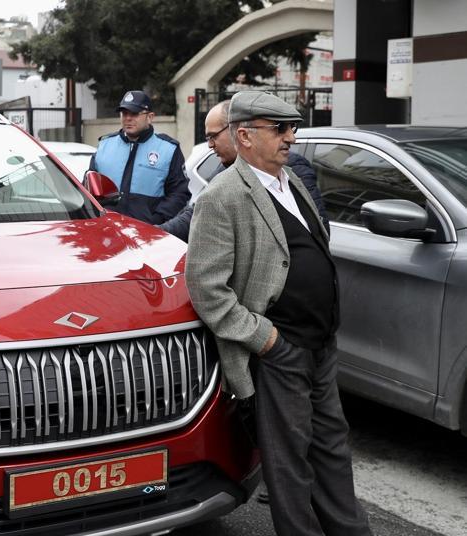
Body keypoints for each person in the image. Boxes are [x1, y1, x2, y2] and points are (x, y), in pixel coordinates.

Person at [185, 91, 372, 536]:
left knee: (331, 450)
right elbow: (207, 289)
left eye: (292, 128)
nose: (291, 136)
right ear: (245, 136)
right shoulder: (223, 197)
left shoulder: (294, 181)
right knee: (289, 466)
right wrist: (265, 340)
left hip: (320, 345)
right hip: (279, 352)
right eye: (280, 128)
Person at [159, 99, 328, 242]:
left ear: (237, 131)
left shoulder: (291, 171)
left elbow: (318, 230)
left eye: (213, 136)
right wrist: (154, 234)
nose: (210, 145)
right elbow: (195, 217)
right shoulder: (224, 172)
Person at [89, 90, 190, 224]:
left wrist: (157, 220)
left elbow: (179, 193)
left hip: (149, 235)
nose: (128, 118)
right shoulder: (104, 145)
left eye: (134, 113)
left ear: (150, 117)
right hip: (107, 230)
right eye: (124, 113)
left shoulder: (168, 149)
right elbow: (89, 187)